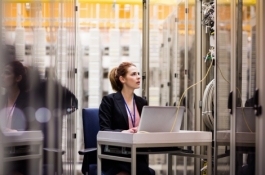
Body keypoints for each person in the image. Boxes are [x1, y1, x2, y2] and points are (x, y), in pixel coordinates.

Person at [99, 62, 154, 175]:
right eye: (133, 74)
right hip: (116, 155)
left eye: (138, 74)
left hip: (138, 153)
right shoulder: (109, 101)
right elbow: (104, 130)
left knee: (142, 169)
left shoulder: (142, 102)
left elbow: (146, 126)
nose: (138, 77)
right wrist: (124, 132)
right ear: (122, 79)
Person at [0, 60, 29, 132]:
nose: (2, 76)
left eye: (7, 73)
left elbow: (30, 129)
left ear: (18, 78)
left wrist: (14, 132)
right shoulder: (2, 99)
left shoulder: (27, 100)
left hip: (18, 142)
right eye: (2, 72)